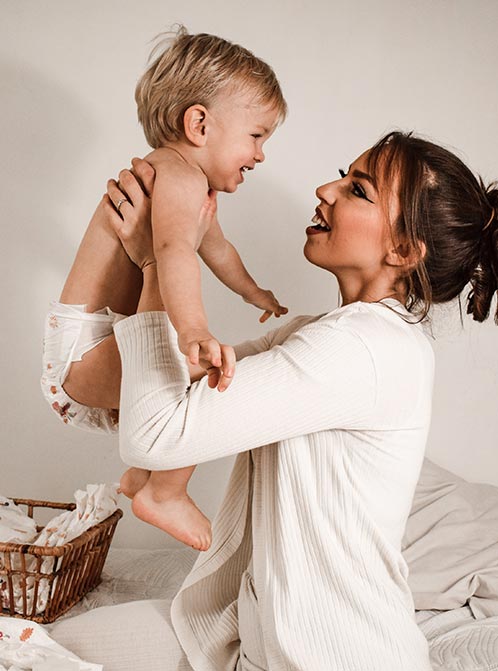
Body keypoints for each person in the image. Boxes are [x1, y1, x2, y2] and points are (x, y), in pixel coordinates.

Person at [42, 129, 498, 670]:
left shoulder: (364, 347)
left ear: (403, 250)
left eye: (358, 190)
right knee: (38, 645)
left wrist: (158, 262)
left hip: (331, 658)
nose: (326, 190)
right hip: (249, 638)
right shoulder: (333, 334)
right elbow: (166, 383)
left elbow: (157, 436)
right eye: (342, 174)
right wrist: (140, 242)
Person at [41, 27, 288, 552]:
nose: (261, 154)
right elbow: (175, 252)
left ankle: (142, 479)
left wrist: (254, 292)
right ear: (199, 124)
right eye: (257, 135)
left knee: (192, 372)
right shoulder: (176, 175)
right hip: (85, 352)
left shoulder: (184, 181)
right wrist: (194, 329)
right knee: (204, 373)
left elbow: (214, 249)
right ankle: (164, 491)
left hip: (94, 345)